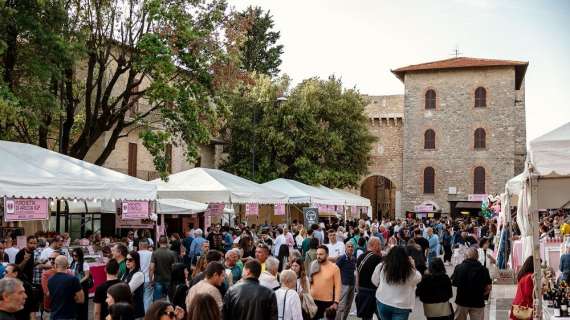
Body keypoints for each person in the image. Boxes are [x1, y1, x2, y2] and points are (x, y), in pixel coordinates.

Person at [372, 246, 422, 320]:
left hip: (383, 301)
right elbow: (418, 278)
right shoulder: (409, 271)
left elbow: (374, 281)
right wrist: (413, 266)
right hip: (402, 306)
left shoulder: (382, 266)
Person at [451, 247, 492, 320]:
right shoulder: (484, 270)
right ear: (477, 257)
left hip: (462, 301)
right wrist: (482, 294)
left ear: (466, 256)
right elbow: (488, 287)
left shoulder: (459, 267)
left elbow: (454, 283)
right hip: (478, 301)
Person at [309, 245, 342, 319]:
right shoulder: (313, 265)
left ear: (327, 255)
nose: (318, 256)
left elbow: (338, 286)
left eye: (321, 254)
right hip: (313, 301)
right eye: (317, 254)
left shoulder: (334, 268)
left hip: (328, 302)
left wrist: (336, 302)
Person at [47, 256, 84, 320]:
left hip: (54, 316)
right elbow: (81, 300)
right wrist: (72, 297)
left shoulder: (50, 280)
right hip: (68, 315)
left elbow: (51, 295)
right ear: (67, 265)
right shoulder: (73, 279)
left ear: (55, 265)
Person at [355, 237, 382, 320]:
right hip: (374, 293)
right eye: (379, 244)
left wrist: (358, 290)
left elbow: (357, 276)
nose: (381, 247)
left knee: (366, 317)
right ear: (374, 245)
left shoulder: (360, 257)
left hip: (362, 291)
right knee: (382, 316)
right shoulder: (377, 258)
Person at [150, 236, 178, 301]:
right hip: (170, 280)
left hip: (158, 280)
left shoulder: (155, 253)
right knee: (171, 300)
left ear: (159, 242)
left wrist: (151, 280)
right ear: (167, 242)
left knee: (158, 301)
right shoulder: (172, 253)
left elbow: (151, 268)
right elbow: (175, 268)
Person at [335, 241, 356, 320]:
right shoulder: (342, 258)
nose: (350, 248)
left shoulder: (353, 258)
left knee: (349, 305)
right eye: (349, 246)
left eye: (351, 246)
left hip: (352, 284)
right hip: (344, 284)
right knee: (341, 305)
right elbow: (335, 269)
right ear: (345, 248)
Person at [122, 251, 145, 318]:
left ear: (136, 261)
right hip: (126, 309)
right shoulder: (126, 273)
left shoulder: (138, 274)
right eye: (126, 259)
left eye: (130, 260)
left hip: (135, 310)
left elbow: (127, 290)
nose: (127, 261)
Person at [510, 256, 534, 320]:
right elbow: (528, 293)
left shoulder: (524, 275)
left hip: (518, 304)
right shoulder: (530, 277)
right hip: (523, 307)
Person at [70, 248, 91, 320]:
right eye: (73, 255)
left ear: (80, 255)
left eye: (76, 256)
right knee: (76, 303)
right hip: (73, 286)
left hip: (82, 286)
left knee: (83, 304)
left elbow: (87, 276)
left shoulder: (84, 264)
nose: (74, 257)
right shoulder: (72, 263)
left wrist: (79, 282)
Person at [137, 239, 153, 312]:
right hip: (148, 279)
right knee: (147, 299)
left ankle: (140, 313)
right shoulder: (151, 254)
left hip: (137, 280)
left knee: (139, 298)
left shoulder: (136, 254)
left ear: (140, 245)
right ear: (147, 245)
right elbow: (152, 268)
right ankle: (147, 315)